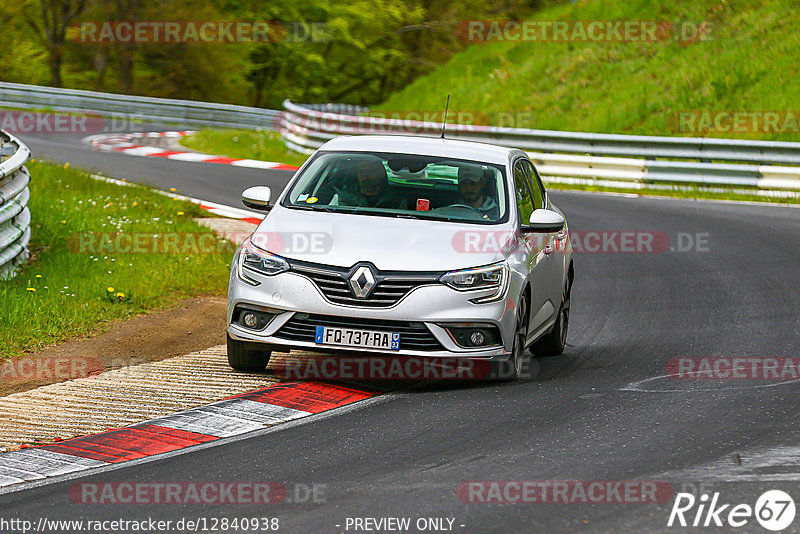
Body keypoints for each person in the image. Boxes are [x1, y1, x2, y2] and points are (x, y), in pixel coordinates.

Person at [330, 159, 407, 209]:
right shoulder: (341, 197)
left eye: (369, 171)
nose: (365, 175)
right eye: (361, 171)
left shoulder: (397, 201)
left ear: (381, 174)